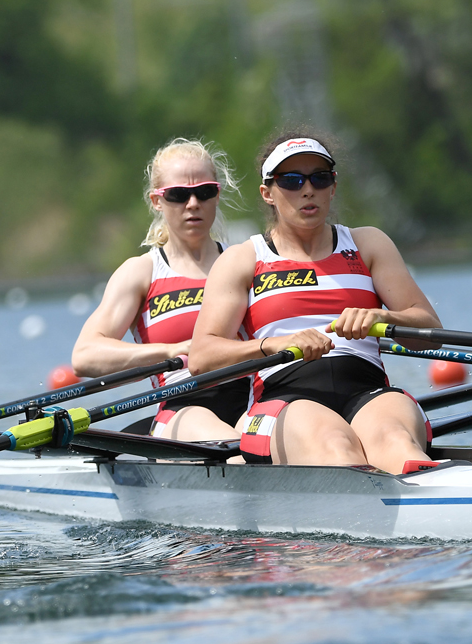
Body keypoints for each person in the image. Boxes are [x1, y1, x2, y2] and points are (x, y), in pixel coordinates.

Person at [188, 131, 443, 473]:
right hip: (282, 397)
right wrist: (275, 344)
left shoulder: (368, 244)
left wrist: (382, 316)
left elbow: (431, 330)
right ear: (268, 193)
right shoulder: (243, 259)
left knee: (396, 442)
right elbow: (202, 358)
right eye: (291, 181)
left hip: (367, 392)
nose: (307, 190)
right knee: (335, 446)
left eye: (319, 178)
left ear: (333, 187)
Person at [72, 139, 252, 441]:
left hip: (252, 402)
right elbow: (85, 355)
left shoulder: (247, 261)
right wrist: (172, 350)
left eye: (204, 192)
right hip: (183, 408)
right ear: (157, 200)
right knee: (237, 447)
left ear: (217, 195)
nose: (193, 203)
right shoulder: (142, 272)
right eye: (178, 195)